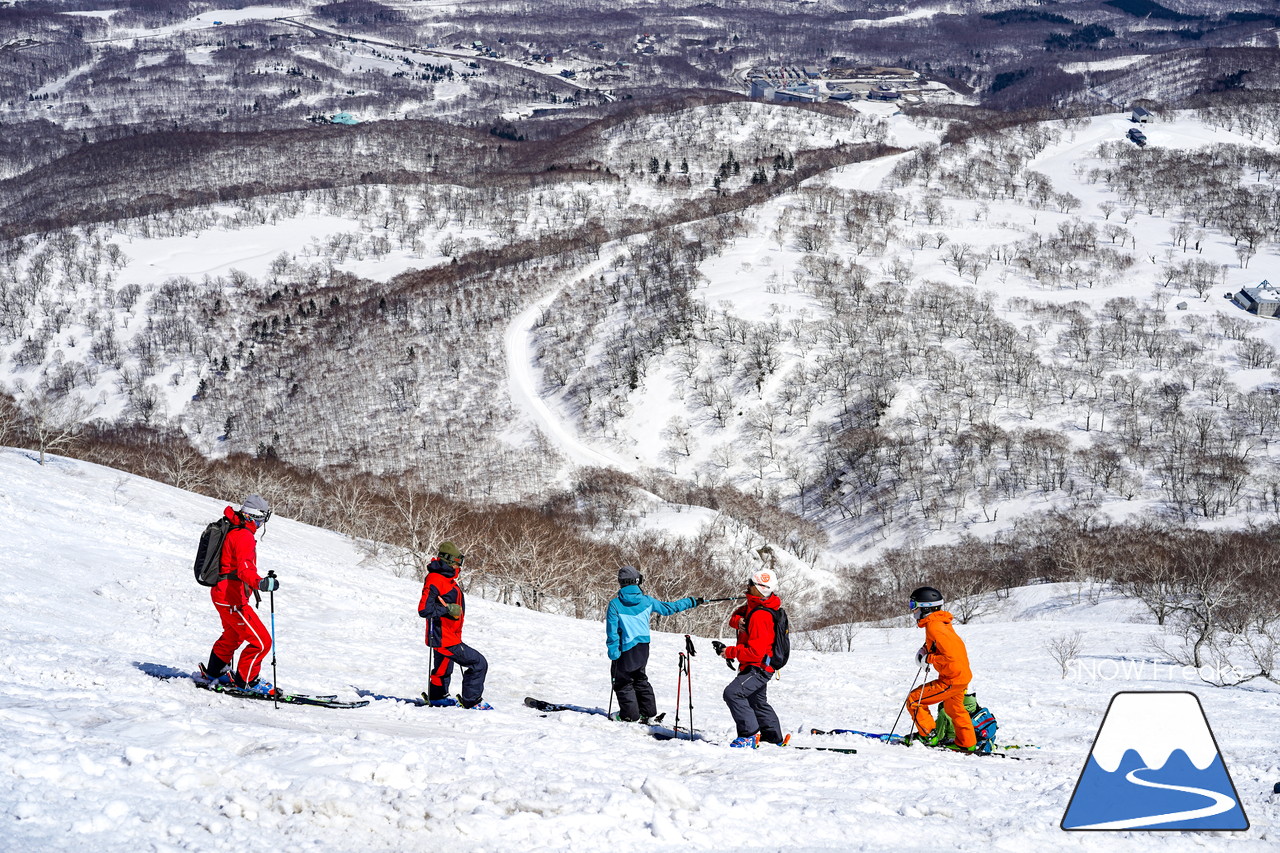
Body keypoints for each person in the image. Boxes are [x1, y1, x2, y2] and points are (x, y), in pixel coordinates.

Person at [605, 565, 703, 723]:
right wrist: (691, 601)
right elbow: (669, 608)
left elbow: (612, 632)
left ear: (621, 583)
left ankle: (629, 715)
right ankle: (648, 712)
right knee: (640, 678)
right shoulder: (647, 601)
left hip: (626, 649)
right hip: (643, 648)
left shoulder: (615, 604)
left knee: (623, 681)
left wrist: (613, 652)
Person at [201, 494, 276, 695]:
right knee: (261, 642)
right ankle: (247, 681)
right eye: (262, 518)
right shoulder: (243, 536)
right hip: (231, 597)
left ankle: (214, 672)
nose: (262, 523)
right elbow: (244, 570)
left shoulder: (236, 530)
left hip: (223, 594)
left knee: (233, 635)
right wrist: (261, 583)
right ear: (253, 516)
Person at [713, 568, 786, 748]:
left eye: (751, 584)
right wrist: (738, 621)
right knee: (756, 700)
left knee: (733, 693)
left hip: (758, 666)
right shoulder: (756, 605)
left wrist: (730, 652)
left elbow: (755, 652)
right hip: (759, 664)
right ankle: (773, 737)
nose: (748, 585)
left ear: (760, 588)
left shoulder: (760, 615)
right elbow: (734, 617)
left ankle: (749, 735)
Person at [418, 541, 490, 709]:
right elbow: (424, 610)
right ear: (449, 560)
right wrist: (448, 609)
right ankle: (472, 702)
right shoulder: (436, 579)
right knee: (479, 664)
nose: (460, 565)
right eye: (458, 561)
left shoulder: (445, 578)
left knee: (443, 667)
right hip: (444, 637)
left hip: (446, 635)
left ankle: (438, 697)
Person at [906, 585, 977, 751]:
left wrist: (929, 658)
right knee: (955, 710)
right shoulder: (938, 623)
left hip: (951, 679)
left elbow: (951, 656)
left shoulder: (934, 626)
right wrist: (926, 648)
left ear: (925, 607)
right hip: (960, 676)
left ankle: (928, 736)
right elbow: (944, 645)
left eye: (913, 605)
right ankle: (967, 743)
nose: (912, 610)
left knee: (914, 700)